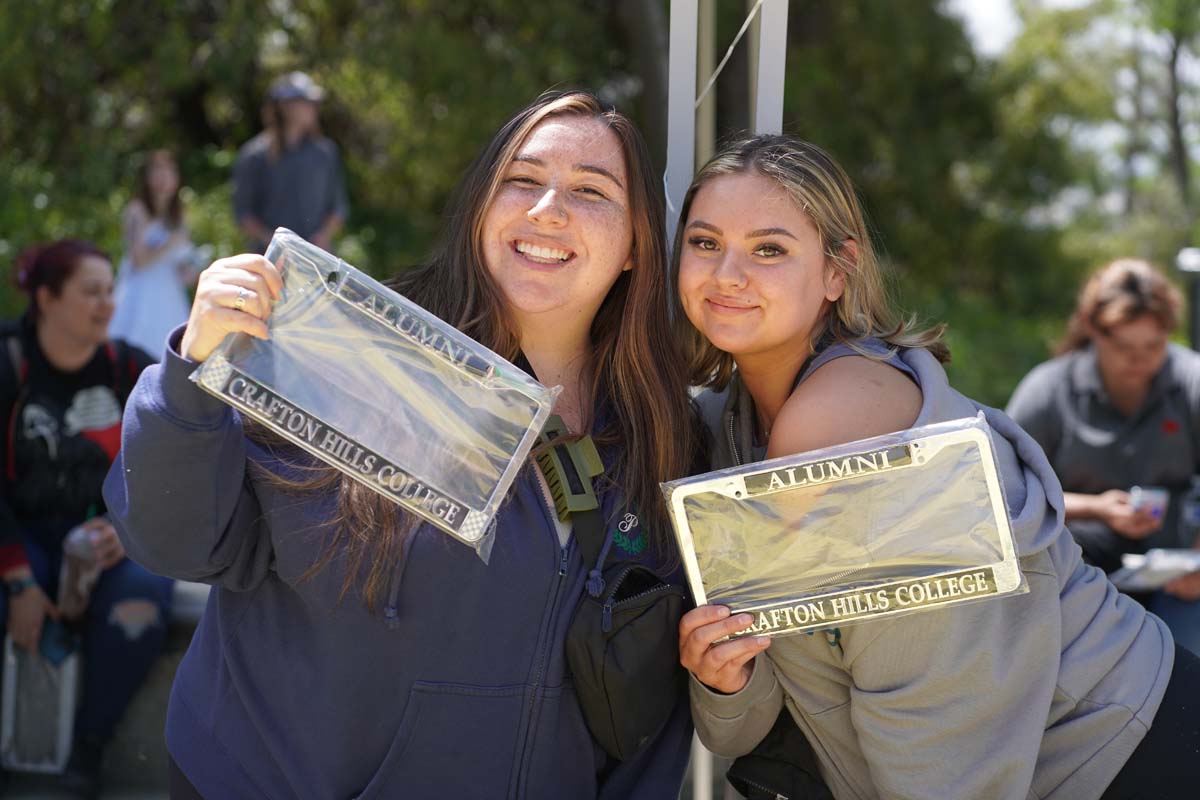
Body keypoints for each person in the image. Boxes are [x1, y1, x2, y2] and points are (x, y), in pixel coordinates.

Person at [104, 90, 696, 799]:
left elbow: (651, 693)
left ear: (636, 245)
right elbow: (180, 542)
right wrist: (192, 375)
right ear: (480, 208)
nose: (547, 209)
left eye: (590, 191)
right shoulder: (351, 351)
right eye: (522, 179)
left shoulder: (664, 435)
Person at [674, 135, 1200, 799]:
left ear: (838, 271)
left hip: (1124, 749)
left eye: (769, 249)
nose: (727, 274)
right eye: (704, 242)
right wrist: (728, 678)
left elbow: (941, 726)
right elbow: (757, 720)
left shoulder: (835, 430)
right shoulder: (725, 427)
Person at [0, 240, 172, 798]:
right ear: (46, 299)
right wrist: (19, 582)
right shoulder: (9, 361)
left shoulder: (130, 367)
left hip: (104, 538)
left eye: (109, 291)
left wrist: (129, 524)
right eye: (90, 292)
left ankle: (89, 750)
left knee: (143, 599)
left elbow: (173, 462)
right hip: (17, 537)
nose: (106, 304)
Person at [1007, 259, 1200, 655]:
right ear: (1092, 330)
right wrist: (1097, 508)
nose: (1138, 361)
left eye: (1153, 346)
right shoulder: (1048, 389)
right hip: (1073, 572)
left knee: (1184, 663)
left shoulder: (1190, 379)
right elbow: (1003, 492)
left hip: (1176, 572)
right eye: (1123, 347)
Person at [232, 71, 349, 253]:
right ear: (284, 106)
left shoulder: (325, 152)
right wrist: (279, 245)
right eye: (306, 102)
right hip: (268, 259)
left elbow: (338, 208)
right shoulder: (254, 155)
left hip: (315, 258)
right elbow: (244, 214)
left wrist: (322, 237)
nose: (313, 108)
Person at [108, 149, 197, 358]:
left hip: (169, 292)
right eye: (158, 171)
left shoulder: (178, 215)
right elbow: (138, 261)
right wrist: (170, 244)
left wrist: (189, 270)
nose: (163, 178)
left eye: (169, 171)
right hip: (140, 292)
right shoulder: (137, 211)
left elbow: (181, 260)